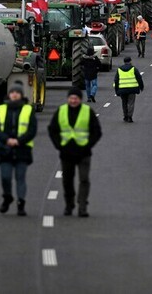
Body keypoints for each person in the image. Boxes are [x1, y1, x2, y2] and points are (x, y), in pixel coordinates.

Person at [48, 88, 102, 217]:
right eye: (71, 98)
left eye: (76, 98)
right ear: (68, 99)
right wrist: (59, 146)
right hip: (66, 153)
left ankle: (82, 205)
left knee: (84, 179)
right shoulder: (61, 111)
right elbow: (52, 130)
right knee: (67, 180)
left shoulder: (88, 112)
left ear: (80, 99)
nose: (73, 100)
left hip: (84, 153)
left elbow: (97, 132)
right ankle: (69, 204)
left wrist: (88, 145)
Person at [0, 85, 37, 217]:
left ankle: (21, 204)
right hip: (4, 149)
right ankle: (7, 197)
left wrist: (19, 141)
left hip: (22, 149)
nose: (15, 95)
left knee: (20, 177)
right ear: (9, 95)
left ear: (21, 95)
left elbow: (32, 130)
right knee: (5, 177)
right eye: (12, 92)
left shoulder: (28, 109)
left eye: (17, 92)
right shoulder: (1, 109)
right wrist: (6, 140)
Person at [113, 56, 144, 122]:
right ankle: (130, 116)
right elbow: (139, 78)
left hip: (122, 89)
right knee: (131, 103)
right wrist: (141, 87)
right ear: (130, 61)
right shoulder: (133, 69)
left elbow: (116, 80)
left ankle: (125, 116)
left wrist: (116, 90)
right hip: (132, 89)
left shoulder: (119, 69)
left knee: (124, 103)